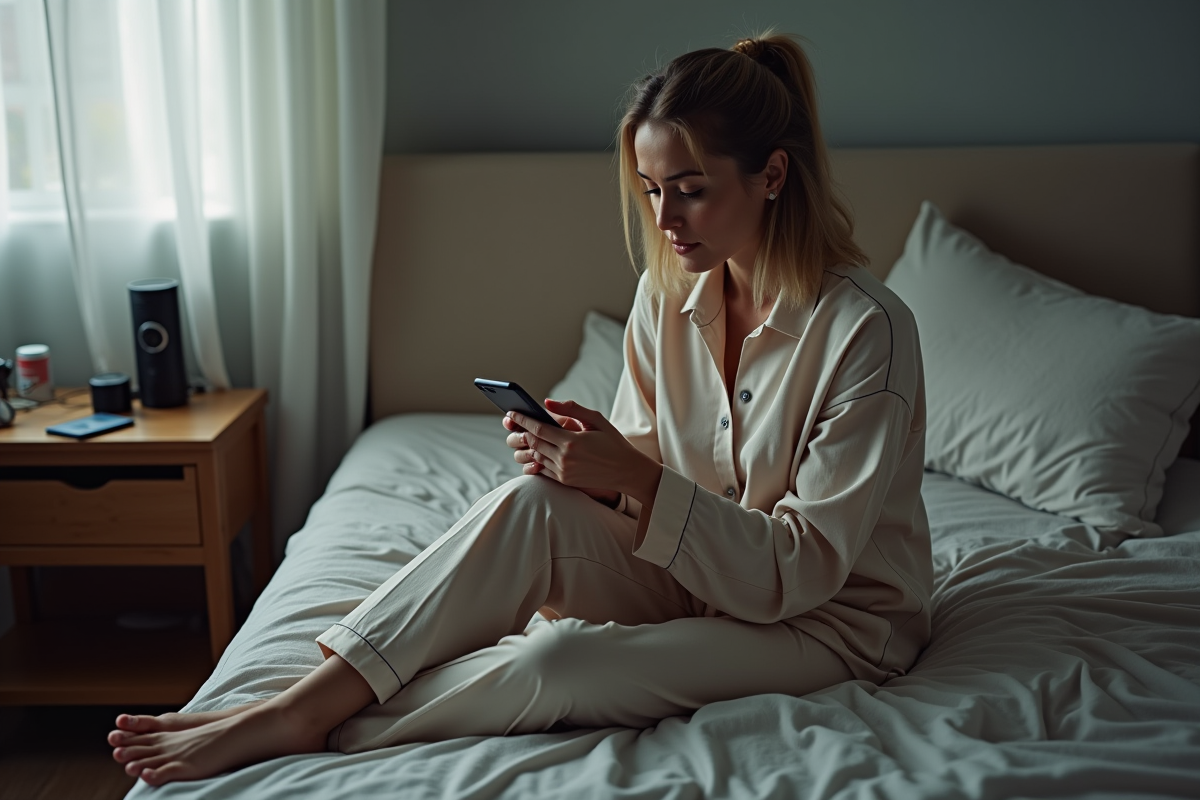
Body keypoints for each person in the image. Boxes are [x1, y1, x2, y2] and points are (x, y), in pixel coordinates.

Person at [107, 32, 932, 786]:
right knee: (531, 504)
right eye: (649, 191)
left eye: (690, 190)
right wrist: (589, 465)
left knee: (562, 661)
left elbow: (801, 568)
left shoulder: (868, 331)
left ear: (773, 176)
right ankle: (296, 704)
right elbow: (649, 477)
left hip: (825, 621)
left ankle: (317, 729)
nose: (665, 220)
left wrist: (639, 478)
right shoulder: (667, 294)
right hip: (702, 574)